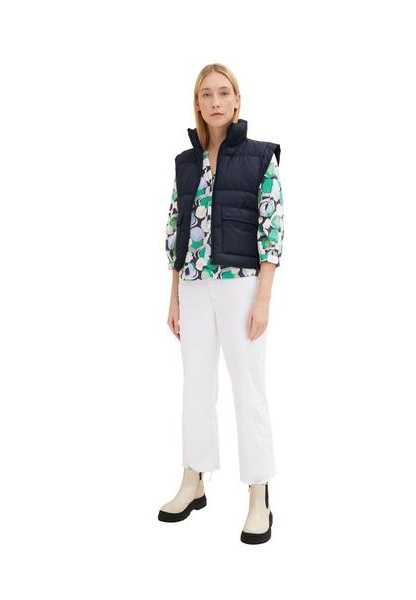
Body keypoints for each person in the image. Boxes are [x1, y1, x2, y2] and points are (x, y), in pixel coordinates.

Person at [158, 63, 284, 544]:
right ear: (197, 102)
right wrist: (173, 295)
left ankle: (259, 497)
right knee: (195, 386)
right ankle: (193, 480)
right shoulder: (185, 163)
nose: (215, 102)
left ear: (237, 100)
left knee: (248, 389)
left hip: (240, 285)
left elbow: (272, 229)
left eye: (223, 93)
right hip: (193, 286)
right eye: (206, 94)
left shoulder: (260, 156)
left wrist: (263, 297)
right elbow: (176, 231)